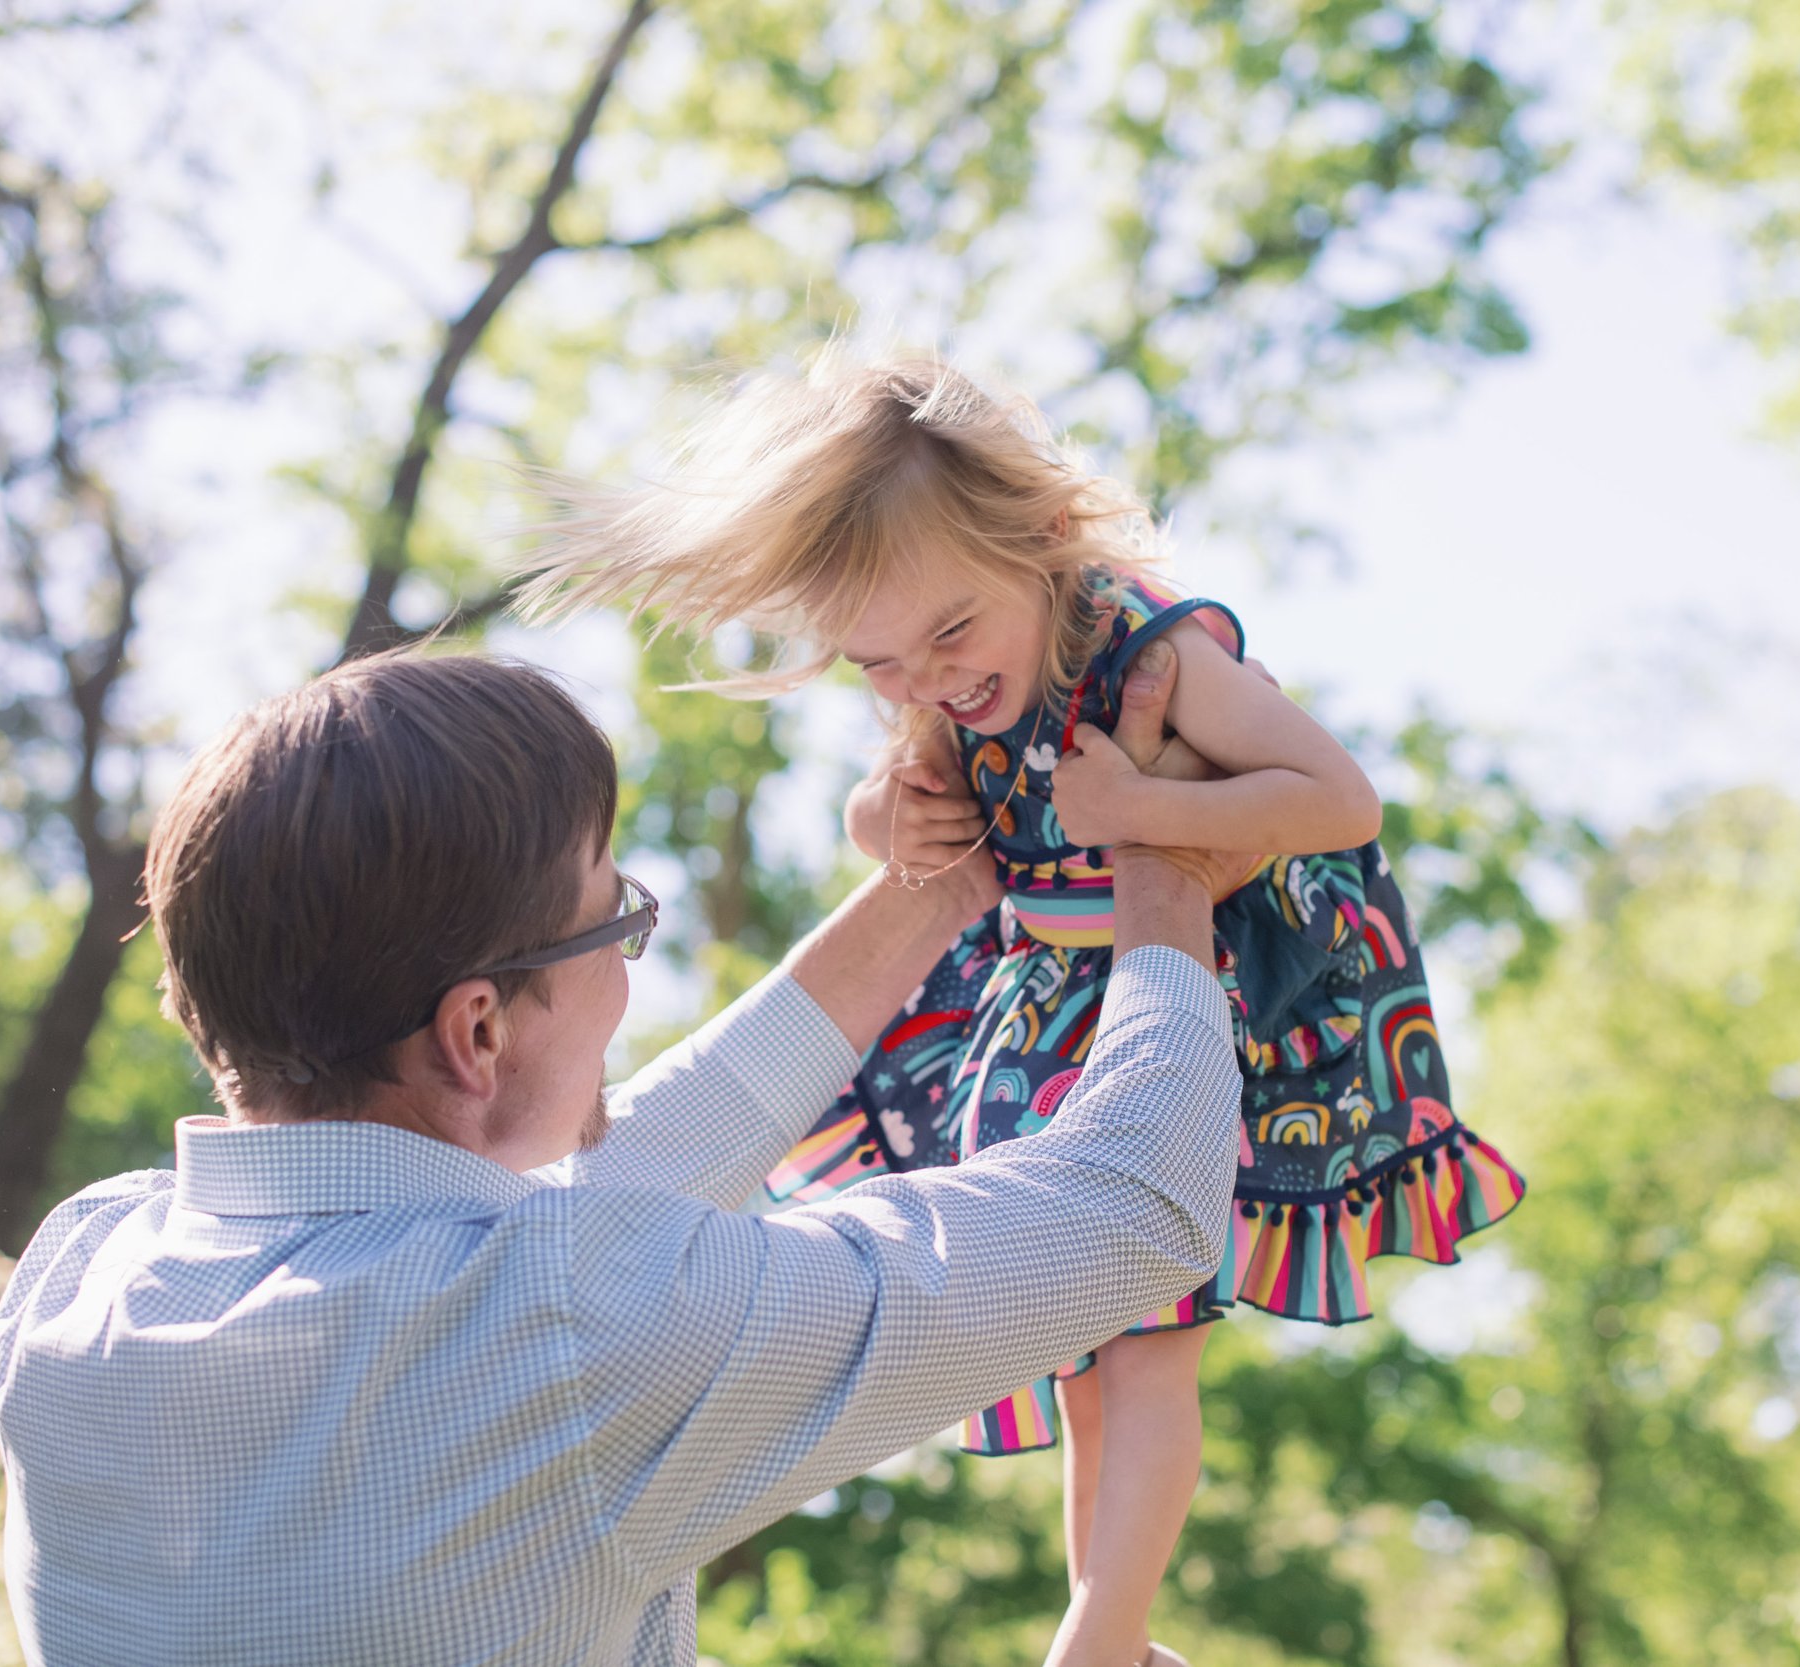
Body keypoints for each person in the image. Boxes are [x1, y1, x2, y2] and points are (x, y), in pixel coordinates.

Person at [512, 350, 1529, 1667]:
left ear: (1045, 541)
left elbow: (1338, 800)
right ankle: (1103, 1623)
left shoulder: (1144, 648)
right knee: (1085, 1331)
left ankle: (1103, 1631)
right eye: (880, 662)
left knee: (1151, 1338)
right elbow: (896, 800)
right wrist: (885, 815)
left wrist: (1149, 812)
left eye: (948, 635)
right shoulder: (941, 679)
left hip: (1221, 993)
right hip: (1060, 1005)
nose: (928, 681)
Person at [0, 644, 1253, 1667]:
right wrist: (1160, 865)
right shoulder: (571, 1323)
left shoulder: (78, 1282)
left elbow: (591, 1201)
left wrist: (946, 879)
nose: (630, 973)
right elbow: (1139, 1198)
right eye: (619, 919)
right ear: (477, 1028)